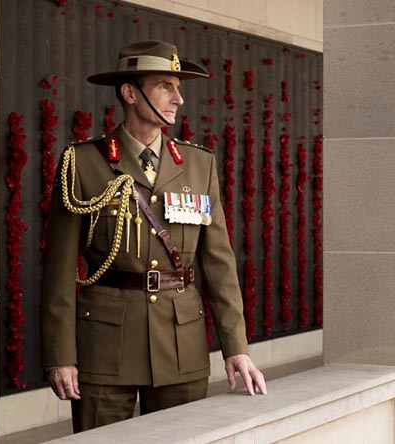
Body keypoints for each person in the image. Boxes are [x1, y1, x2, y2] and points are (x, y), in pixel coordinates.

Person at [40, 40, 266, 433]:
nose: (179, 99)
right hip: (104, 347)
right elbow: (58, 270)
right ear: (130, 92)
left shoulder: (199, 164)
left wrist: (237, 348)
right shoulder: (83, 163)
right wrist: (61, 355)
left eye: (179, 88)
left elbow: (218, 265)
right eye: (165, 86)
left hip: (182, 345)